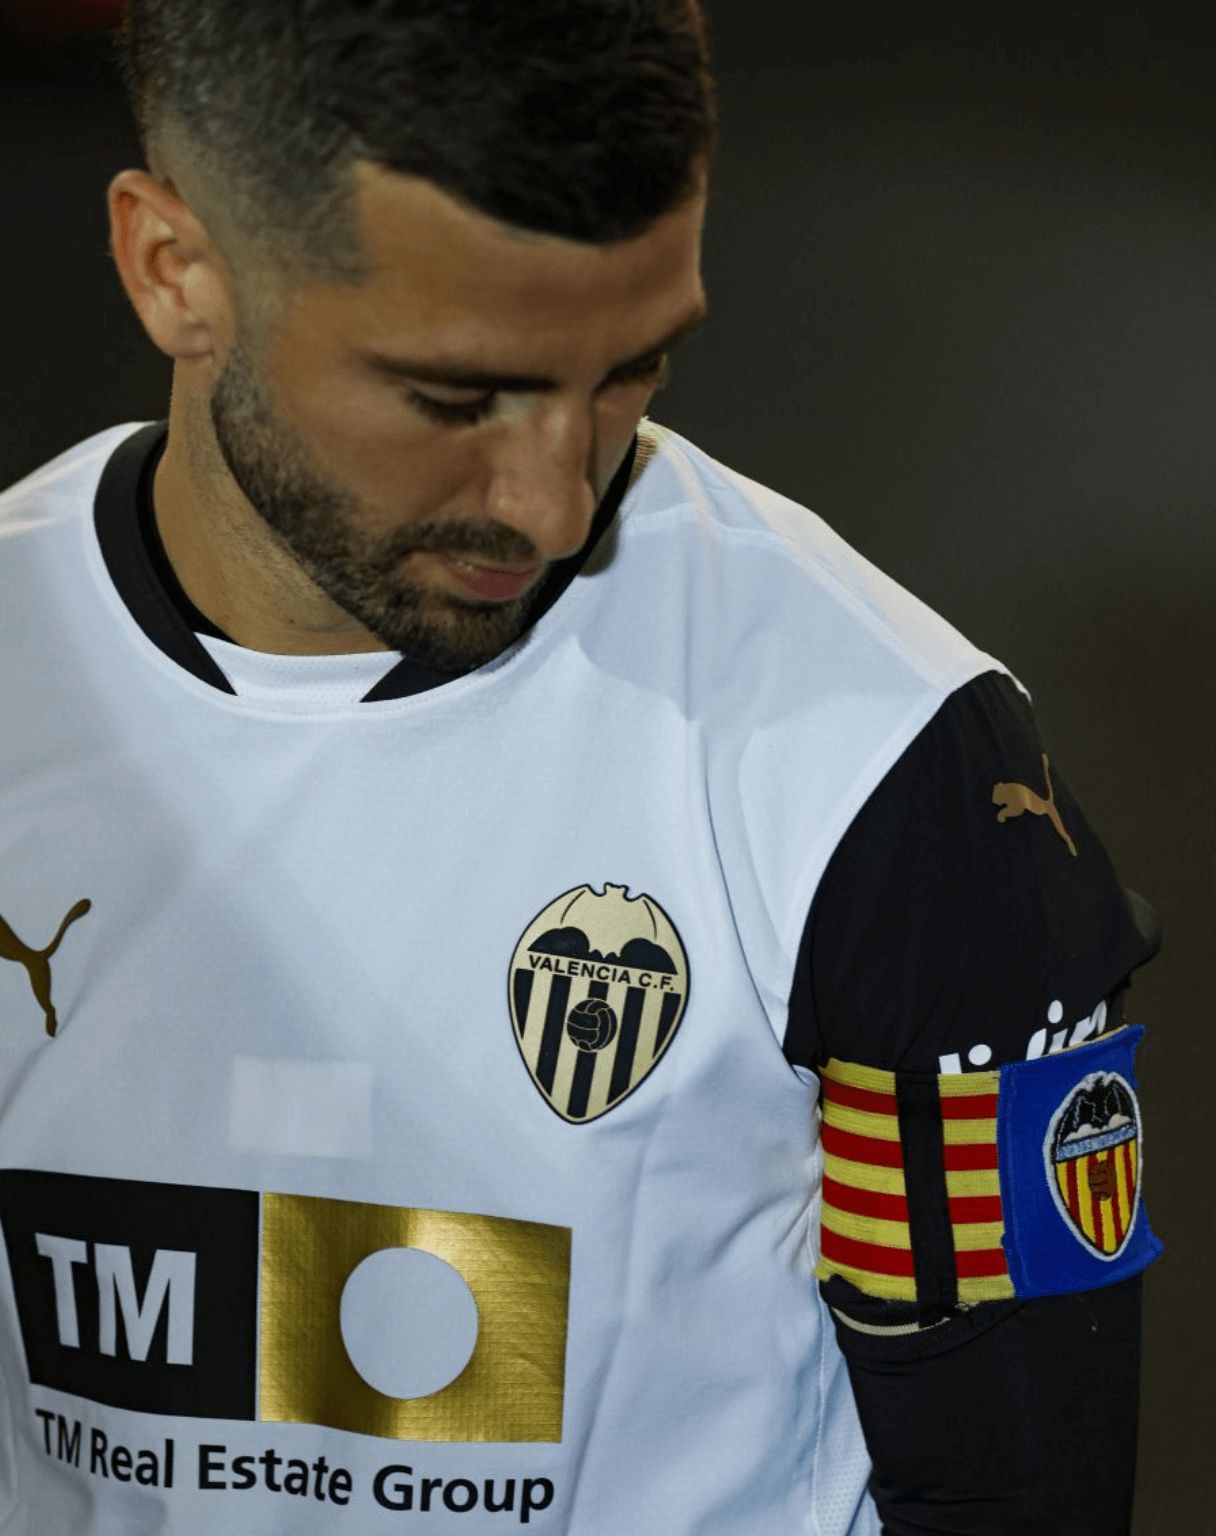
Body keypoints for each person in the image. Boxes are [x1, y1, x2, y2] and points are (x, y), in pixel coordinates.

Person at [0, 3, 1161, 1532]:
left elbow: (1021, 1495)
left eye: (633, 370)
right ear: (174, 268)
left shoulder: (882, 766)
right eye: (456, 395)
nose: (555, 502)